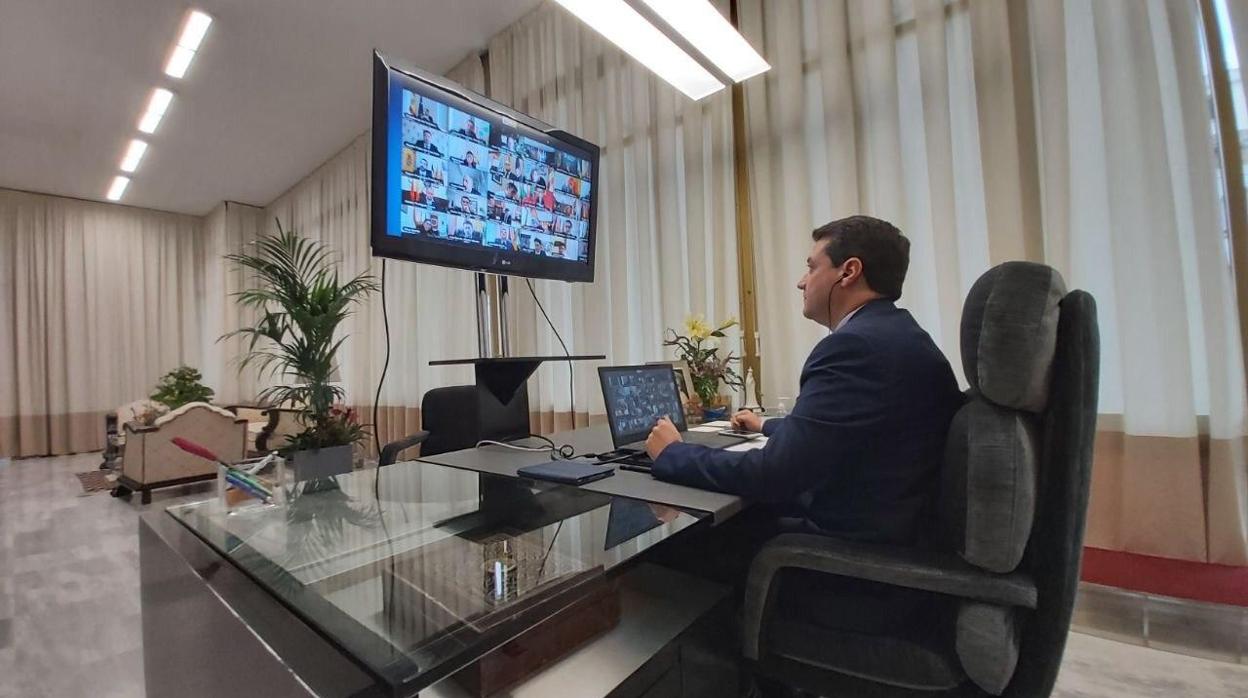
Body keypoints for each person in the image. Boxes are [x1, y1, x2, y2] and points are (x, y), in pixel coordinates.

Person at [645, 216, 963, 577]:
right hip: (895, 534)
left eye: (811, 268)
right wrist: (766, 425)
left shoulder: (855, 347)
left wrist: (673, 453)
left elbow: (774, 474)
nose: (801, 281)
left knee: (670, 541)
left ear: (849, 272)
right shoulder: (898, 334)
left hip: (856, 563)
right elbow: (849, 433)